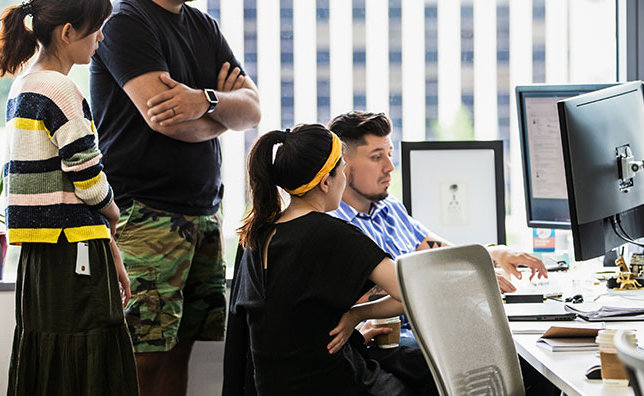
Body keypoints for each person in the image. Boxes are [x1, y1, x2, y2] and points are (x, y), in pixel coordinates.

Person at [90, 0, 261, 396]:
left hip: (203, 213)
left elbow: (252, 111)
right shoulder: (125, 22)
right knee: (142, 357)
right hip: (145, 214)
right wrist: (219, 117)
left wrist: (204, 100)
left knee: (182, 349)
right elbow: (163, 120)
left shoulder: (203, 27)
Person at [0, 0, 138, 395]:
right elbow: (87, 178)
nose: (101, 39)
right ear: (69, 31)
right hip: (72, 252)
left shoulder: (24, 85)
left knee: (49, 364)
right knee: (87, 364)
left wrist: (105, 240)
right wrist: (113, 213)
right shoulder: (61, 89)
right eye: (97, 30)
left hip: (43, 256)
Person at [231, 124, 434, 395]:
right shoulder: (333, 234)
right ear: (326, 181)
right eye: (342, 169)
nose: (345, 177)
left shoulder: (257, 235)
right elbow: (412, 292)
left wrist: (356, 334)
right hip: (335, 383)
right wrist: (355, 316)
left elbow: (294, 326)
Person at [327, 111, 549, 293]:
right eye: (377, 157)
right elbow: (360, 297)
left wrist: (493, 255)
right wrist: (465, 278)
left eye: (389, 154)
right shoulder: (331, 227)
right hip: (394, 340)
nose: (390, 167)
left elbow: (442, 253)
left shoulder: (389, 208)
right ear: (343, 165)